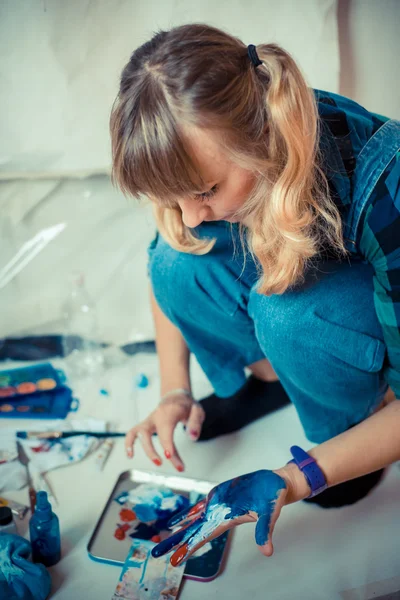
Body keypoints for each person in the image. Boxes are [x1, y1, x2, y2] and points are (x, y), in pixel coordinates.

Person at [110, 24, 400, 563]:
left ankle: (350, 421)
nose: (192, 214)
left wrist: (299, 477)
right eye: (174, 199)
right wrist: (175, 391)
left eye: (205, 191)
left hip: (356, 338)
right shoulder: (209, 174)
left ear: (261, 137)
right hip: (294, 310)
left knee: (289, 313)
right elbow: (170, 263)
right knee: (177, 261)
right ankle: (275, 379)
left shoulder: (388, 183)